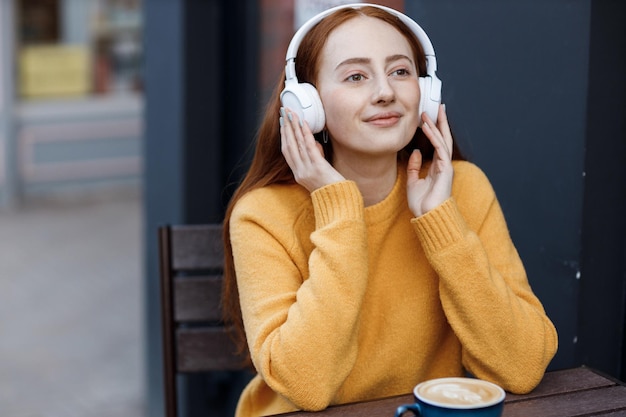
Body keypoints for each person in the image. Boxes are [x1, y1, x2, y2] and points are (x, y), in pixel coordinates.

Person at [222, 4, 558, 417]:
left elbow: (522, 366)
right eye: (356, 76)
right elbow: (304, 385)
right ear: (306, 105)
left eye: (400, 72)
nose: (385, 92)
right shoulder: (262, 214)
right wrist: (339, 212)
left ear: (426, 91)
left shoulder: (462, 188)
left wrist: (443, 226)